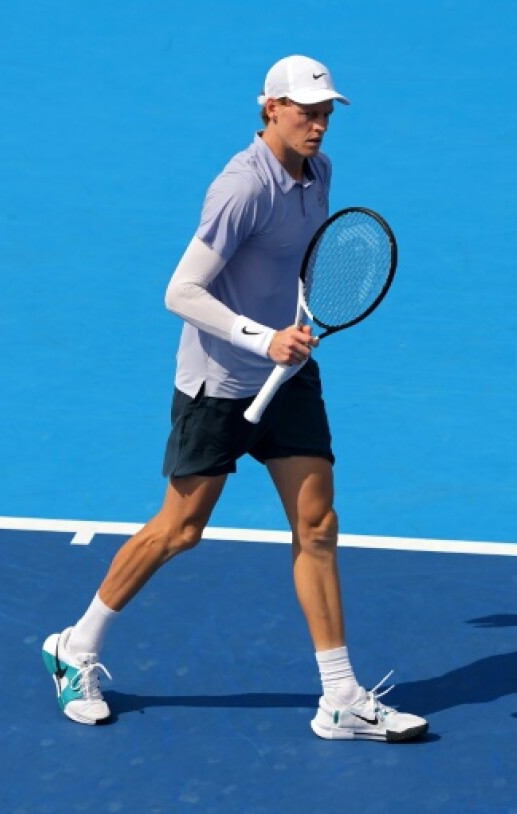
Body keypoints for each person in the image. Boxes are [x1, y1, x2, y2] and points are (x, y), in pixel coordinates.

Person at [41, 55, 428, 743]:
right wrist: (260, 337)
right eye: (306, 111)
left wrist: (293, 327)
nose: (318, 124)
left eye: (326, 111)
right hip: (220, 382)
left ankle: (339, 696)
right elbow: (179, 292)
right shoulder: (239, 188)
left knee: (317, 526)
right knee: (180, 530)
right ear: (269, 108)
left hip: (287, 375)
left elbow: (297, 262)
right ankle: (76, 645)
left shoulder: (321, 174)